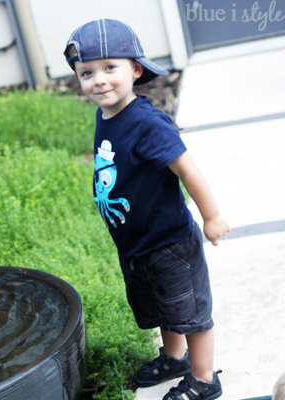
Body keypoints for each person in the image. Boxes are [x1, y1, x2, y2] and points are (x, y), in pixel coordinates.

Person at [63, 19, 231, 400]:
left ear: (135, 70)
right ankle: (175, 359)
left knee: (190, 312)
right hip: (137, 244)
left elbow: (187, 168)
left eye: (110, 68)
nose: (99, 80)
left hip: (169, 241)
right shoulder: (105, 115)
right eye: (87, 72)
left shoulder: (147, 123)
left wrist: (212, 216)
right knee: (162, 307)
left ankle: (204, 379)